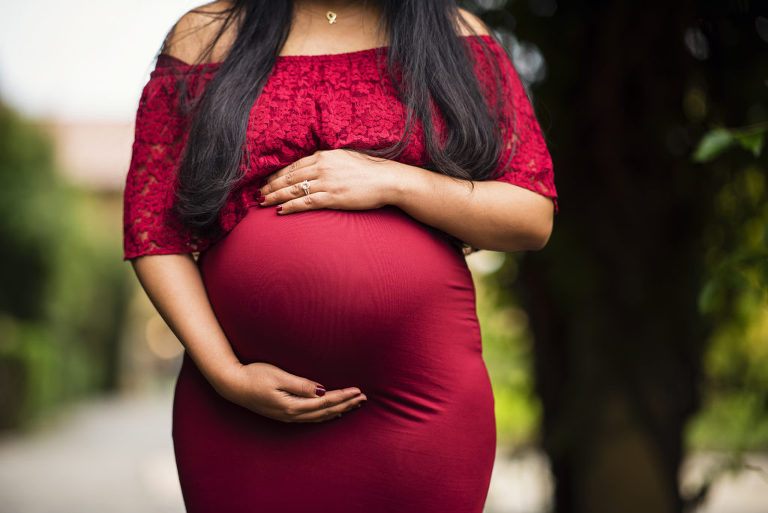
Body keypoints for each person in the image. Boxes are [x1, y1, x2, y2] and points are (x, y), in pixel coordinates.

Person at [123, 0, 558, 511]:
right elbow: (154, 228)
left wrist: (395, 180)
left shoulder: (456, 36)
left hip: (418, 404)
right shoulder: (206, 36)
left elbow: (531, 214)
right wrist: (226, 374)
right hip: (240, 407)